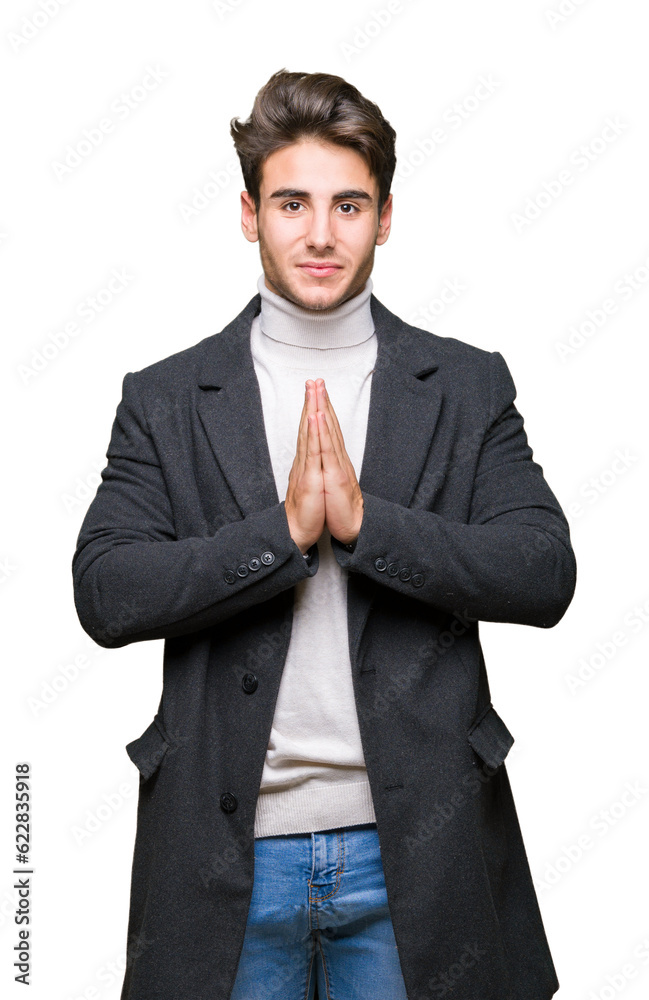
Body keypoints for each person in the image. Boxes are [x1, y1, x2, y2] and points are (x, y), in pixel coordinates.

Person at [72, 69, 577, 1000]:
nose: (318, 232)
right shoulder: (166, 398)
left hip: (416, 855)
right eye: (291, 202)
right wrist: (284, 535)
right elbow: (106, 591)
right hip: (226, 859)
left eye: (348, 205)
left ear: (384, 217)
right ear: (248, 212)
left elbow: (542, 571)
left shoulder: (466, 387)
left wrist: (366, 525)